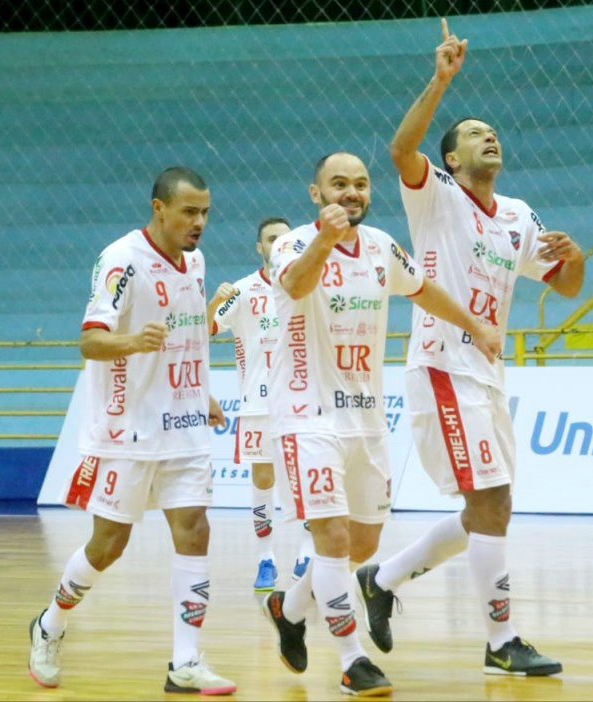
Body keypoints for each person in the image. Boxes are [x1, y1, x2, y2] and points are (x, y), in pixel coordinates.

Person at [353, 18, 585, 677]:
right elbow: (400, 150)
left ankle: (381, 579)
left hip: (486, 373)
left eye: (493, 131)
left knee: (490, 507)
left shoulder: (518, 215)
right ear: (451, 159)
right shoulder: (437, 196)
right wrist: (440, 80)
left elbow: (566, 286)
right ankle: (500, 641)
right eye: (475, 133)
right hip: (441, 366)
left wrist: (575, 257)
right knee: (490, 504)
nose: (490, 136)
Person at [260, 151, 502, 696]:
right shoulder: (293, 244)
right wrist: (325, 240)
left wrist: (475, 326)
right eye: (338, 184)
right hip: (305, 415)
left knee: (362, 544)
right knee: (332, 538)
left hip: (365, 416)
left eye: (361, 184)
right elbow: (296, 285)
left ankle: (289, 609)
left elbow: (424, 290)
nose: (352, 193)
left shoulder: (381, 247)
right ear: (316, 193)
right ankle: (353, 659)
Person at [27, 166, 237, 695]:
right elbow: (90, 341)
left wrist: (200, 393)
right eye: (189, 211)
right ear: (158, 208)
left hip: (183, 424)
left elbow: (190, 334)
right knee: (108, 545)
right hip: (128, 431)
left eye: (205, 212)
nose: (199, 222)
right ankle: (50, 622)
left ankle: (185, 662)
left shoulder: (195, 261)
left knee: (195, 529)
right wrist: (134, 343)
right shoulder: (121, 259)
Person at [210, 217, 314, 592]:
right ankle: (265, 559)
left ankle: (306, 555)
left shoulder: (307, 284)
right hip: (258, 404)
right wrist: (214, 302)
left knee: (308, 478)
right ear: (260, 247)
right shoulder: (242, 290)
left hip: (304, 402)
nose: (278, 244)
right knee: (263, 481)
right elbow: (203, 331)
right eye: (271, 239)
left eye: (285, 238)